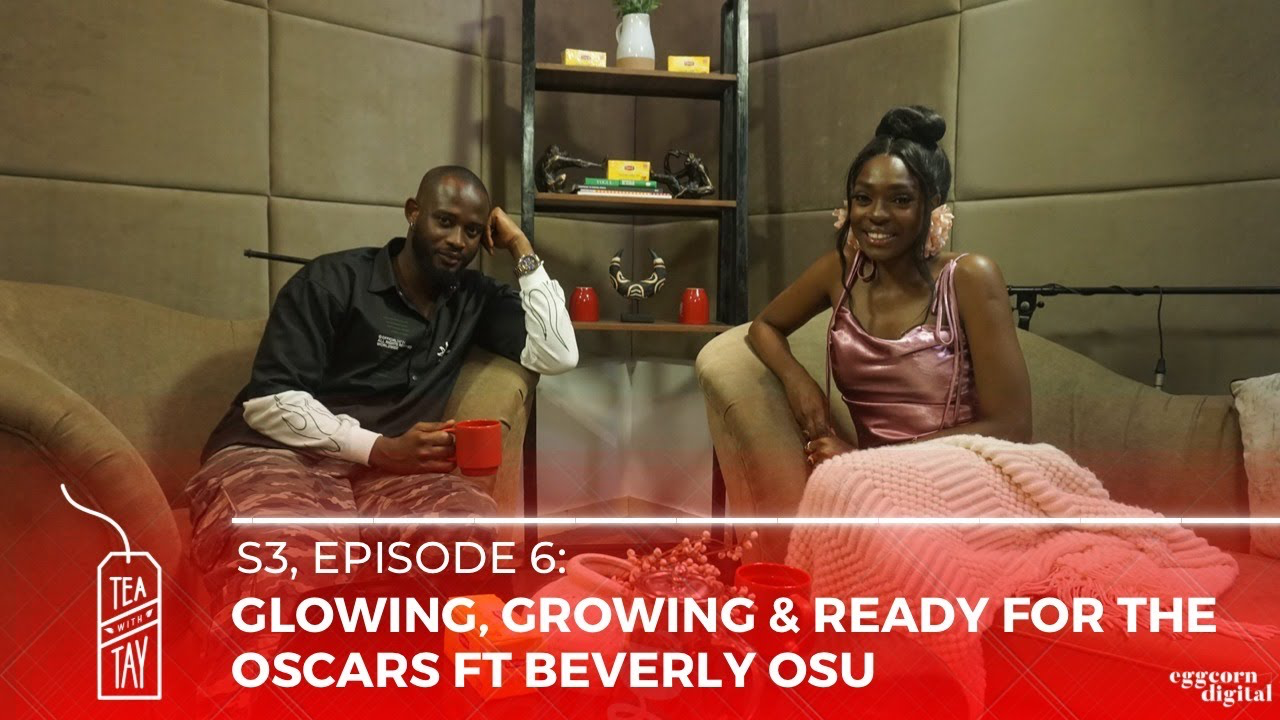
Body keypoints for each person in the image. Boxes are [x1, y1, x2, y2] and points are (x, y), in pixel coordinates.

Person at [186, 165, 577, 623]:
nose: (457, 241)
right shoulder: (331, 280)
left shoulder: (474, 299)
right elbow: (270, 402)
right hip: (275, 453)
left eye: (472, 231)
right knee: (288, 550)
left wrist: (521, 247)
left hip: (386, 473)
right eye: (445, 221)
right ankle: (259, 670)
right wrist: (379, 448)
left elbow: (559, 353)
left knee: (467, 528)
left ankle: (427, 663)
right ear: (413, 213)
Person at [748, 106, 1031, 467]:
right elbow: (765, 326)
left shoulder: (969, 277)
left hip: (962, 473)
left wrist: (869, 461)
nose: (877, 214)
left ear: (932, 205)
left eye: (900, 200)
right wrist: (798, 382)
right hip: (869, 480)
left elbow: (1013, 426)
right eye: (863, 198)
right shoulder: (839, 271)